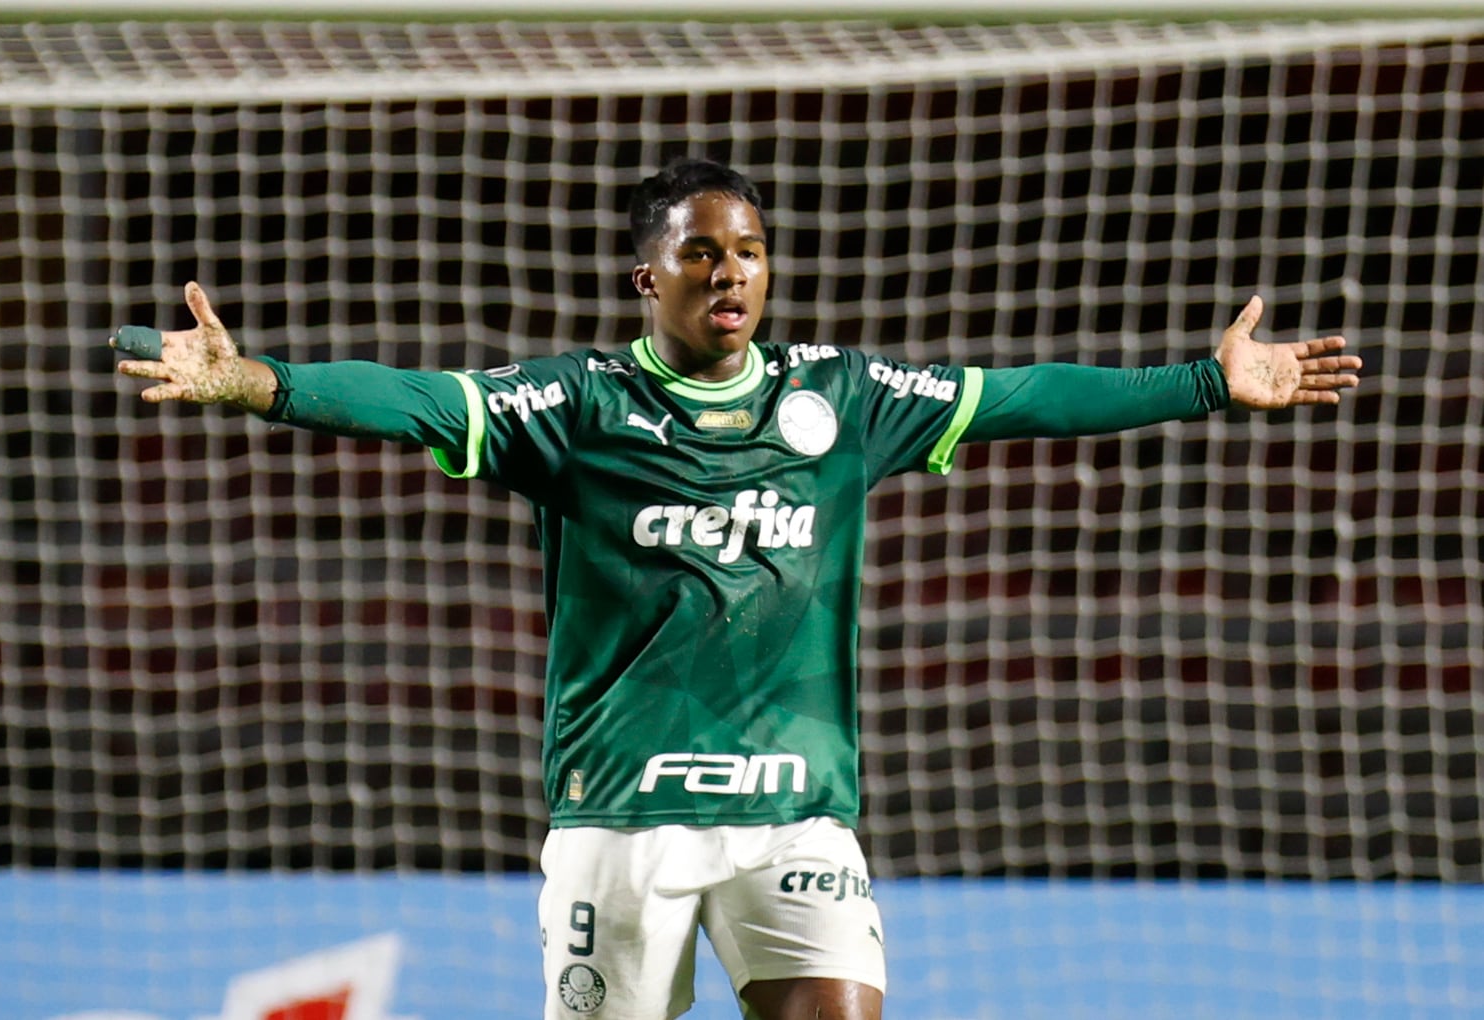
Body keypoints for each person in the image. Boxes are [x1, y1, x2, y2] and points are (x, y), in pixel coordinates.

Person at [112, 157, 1361, 1020]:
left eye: (750, 251)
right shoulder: (580, 406)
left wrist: (1201, 384)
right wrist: (265, 384)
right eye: (699, 253)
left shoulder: (840, 399)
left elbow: (1024, 396)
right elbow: (424, 400)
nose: (732, 273)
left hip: (794, 814)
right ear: (644, 280)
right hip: (622, 821)